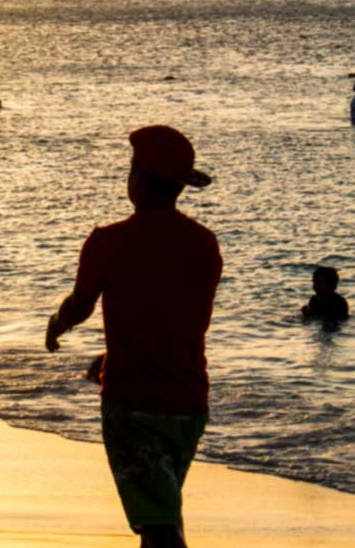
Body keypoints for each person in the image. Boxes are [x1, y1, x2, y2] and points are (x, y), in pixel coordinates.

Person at [45, 125, 222, 548]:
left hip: (134, 404)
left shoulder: (108, 241)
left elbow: (81, 305)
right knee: (161, 513)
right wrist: (113, 353)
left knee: (158, 524)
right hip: (188, 404)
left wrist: (56, 324)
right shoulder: (204, 243)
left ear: (138, 180)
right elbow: (176, 319)